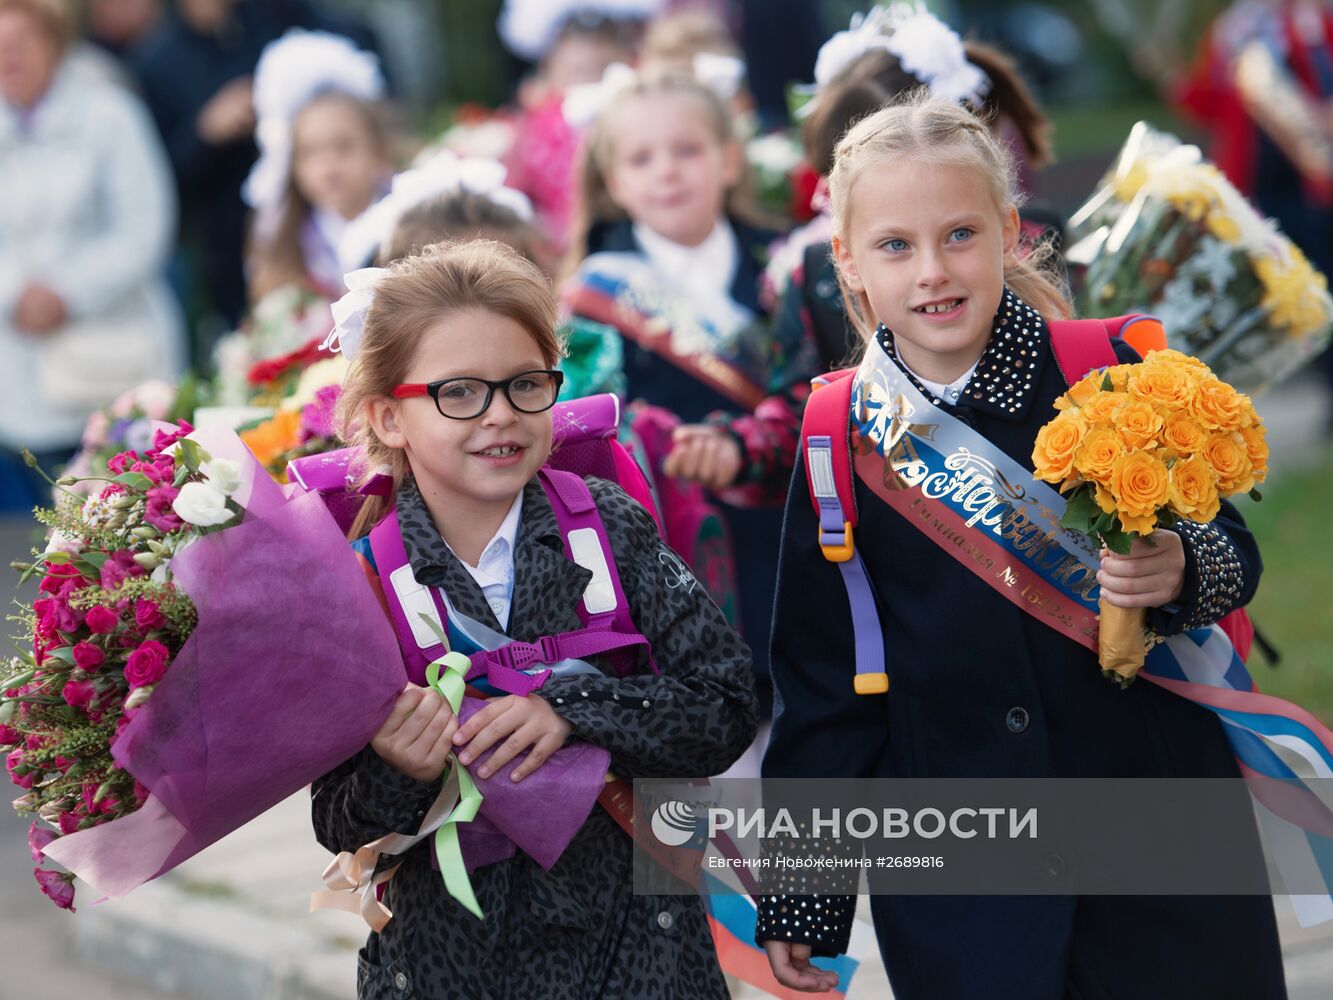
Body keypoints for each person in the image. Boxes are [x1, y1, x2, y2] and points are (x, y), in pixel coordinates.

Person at [755, 93, 1287, 999]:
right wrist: (805, 894)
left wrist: (1180, 567)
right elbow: (825, 687)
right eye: (893, 245)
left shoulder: (1108, 368)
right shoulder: (834, 437)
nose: (931, 270)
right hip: (968, 886)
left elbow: (1231, 550)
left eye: (959, 234)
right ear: (844, 259)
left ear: (1008, 230)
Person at [311, 239, 758, 999]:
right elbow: (337, 819)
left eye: (525, 384)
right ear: (389, 416)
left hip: (640, 953)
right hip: (456, 960)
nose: (500, 416)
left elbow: (726, 704)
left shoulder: (609, 527)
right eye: (459, 393)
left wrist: (573, 709)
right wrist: (398, 767)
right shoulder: (357, 580)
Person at [560, 66, 799, 706]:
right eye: (641, 158)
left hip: (782, 509)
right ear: (614, 181)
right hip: (667, 517)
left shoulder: (785, 265)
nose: (666, 171)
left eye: (687, 151)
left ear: (728, 160)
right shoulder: (594, 290)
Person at [0, 0, 182, 511]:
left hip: (112, 359)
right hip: (21, 368)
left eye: (20, 44)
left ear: (53, 43)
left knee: (123, 517)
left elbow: (145, 226)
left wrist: (68, 293)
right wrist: (16, 292)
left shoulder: (109, 113)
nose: (8, 58)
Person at [499, 0, 663, 252]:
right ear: (550, 68)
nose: (585, 85)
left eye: (599, 70)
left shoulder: (642, 114)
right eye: (576, 71)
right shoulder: (530, 127)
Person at [243, 29, 391, 302]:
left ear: (377, 151)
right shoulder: (291, 243)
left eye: (343, 146)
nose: (329, 165)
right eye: (311, 153)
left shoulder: (403, 221)